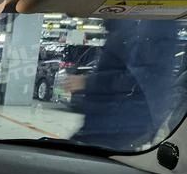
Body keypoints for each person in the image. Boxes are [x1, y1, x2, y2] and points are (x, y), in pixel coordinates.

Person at [66, 20, 179, 151]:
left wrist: (87, 82)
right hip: (110, 123)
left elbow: (136, 79)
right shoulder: (124, 31)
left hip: (116, 125)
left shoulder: (140, 31)